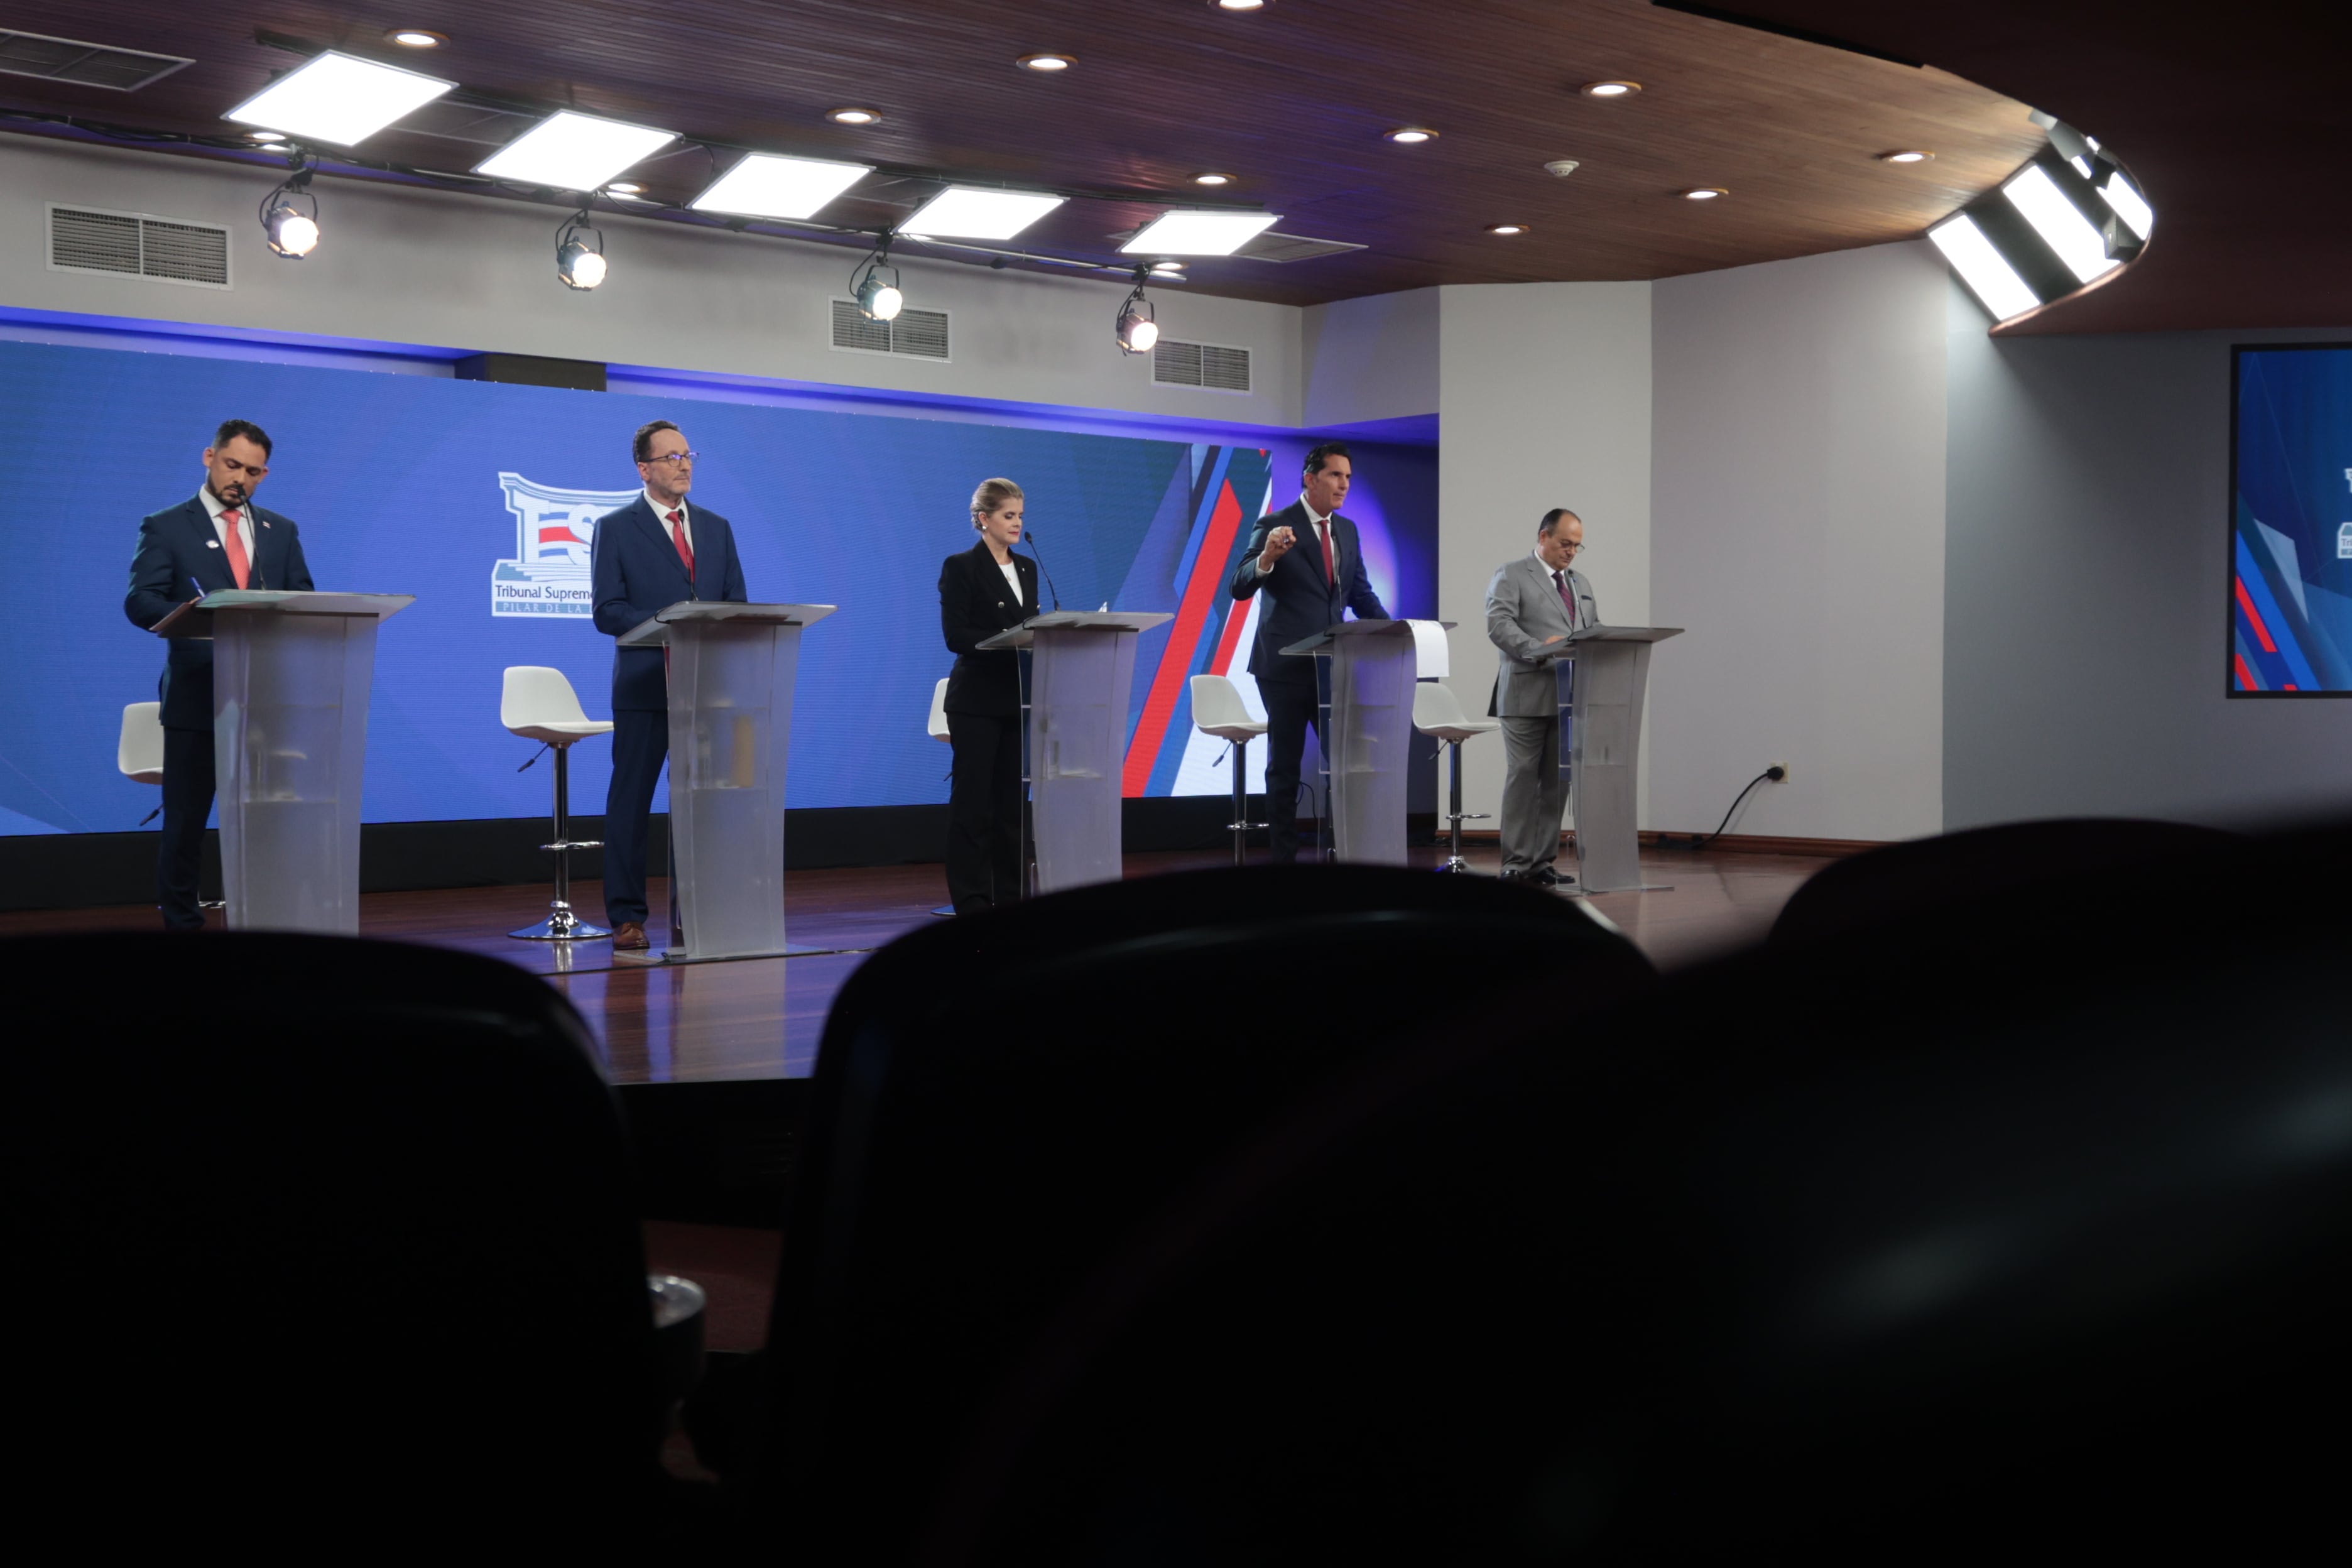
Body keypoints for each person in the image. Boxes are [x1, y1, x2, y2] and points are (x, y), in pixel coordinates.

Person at [123, 418, 315, 930]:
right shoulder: (166, 525)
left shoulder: (281, 531)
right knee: (185, 824)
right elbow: (140, 600)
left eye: (253, 472)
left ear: (264, 474)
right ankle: (184, 930)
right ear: (209, 458)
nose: (241, 479)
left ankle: (269, 922)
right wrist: (190, 613)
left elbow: (305, 598)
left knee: (269, 823)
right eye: (233, 466)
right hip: (197, 695)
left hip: (268, 697)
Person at [590, 420, 748, 949]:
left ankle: (698, 912)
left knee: (705, 807)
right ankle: (628, 917)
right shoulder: (616, 527)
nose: (684, 464)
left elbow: (735, 606)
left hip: (706, 689)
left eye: (688, 455)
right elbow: (607, 612)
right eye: (671, 456)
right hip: (645, 688)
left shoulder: (716, 527)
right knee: (631, 806)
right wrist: (669, 621)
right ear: (644, 468)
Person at [1228, 442, 1389, 863]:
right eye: (1336, 476)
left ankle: (1344, 854)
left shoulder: (1348, 531)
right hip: (1282, 668)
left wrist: (1394, 632)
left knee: (1345, 767)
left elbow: (1359, 593)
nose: (1344, 485)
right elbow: (1240, 586)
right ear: (1310, 479)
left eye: (1348, 477)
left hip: (1331, 669)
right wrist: (1267, 557)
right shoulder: (1275, 524)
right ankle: (1284, 862)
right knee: (1284, 769)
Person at [939, 477, 1040, 913]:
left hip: (1018, 700)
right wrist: (1010, 639)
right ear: (983, 519)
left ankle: (1011, 900)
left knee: (1012, 810)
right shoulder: (961, 567)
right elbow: (956, 636)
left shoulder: (1028, 569)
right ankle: (974, 902)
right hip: (977, 702)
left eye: (1020, 515)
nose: (1017, 523)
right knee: (974, 808)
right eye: (1008, 516)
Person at [1485, 507, 1598, 885]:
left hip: (1567, 696)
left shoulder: (1580, 584)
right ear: (1543, 537)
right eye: (1565, 543)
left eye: (1577, 547)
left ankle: (1542, 862)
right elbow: (1499, 625)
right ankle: (1515, 863)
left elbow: (1591, 631)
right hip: (1524, 693)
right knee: (1522, 777)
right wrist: (1538, 648)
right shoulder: (1512, 574)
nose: (1570, 552)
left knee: (1556, 782)